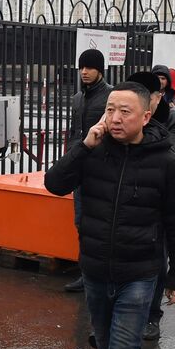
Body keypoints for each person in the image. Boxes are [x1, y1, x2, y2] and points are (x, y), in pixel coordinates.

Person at [44, 81, 175, 349]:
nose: (115, 118)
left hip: (139, 273)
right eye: (110, 110)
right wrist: (83, 146)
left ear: (146, 116)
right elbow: (54, 183)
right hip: (94, 267)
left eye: (125, 111)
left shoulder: (165, 161)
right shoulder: (92, 151)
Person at [130, 70, 175, 341]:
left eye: (147, 96)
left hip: (158, 200)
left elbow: (172, 154)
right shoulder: (122, 119)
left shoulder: (174, 121)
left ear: (158, 97)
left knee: (156, 260)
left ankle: (152, 315)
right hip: (129, 202)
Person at [63, 49, 113, 293]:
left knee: (103, 222)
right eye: (82, 67)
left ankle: (104, 273)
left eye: (90, 67)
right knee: (81, 221)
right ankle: (87, 274)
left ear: (100, 70)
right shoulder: (77, 99)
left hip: (103, 170)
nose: (84, 72)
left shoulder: (111, 97)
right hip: (81, 169)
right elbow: (74, 133)